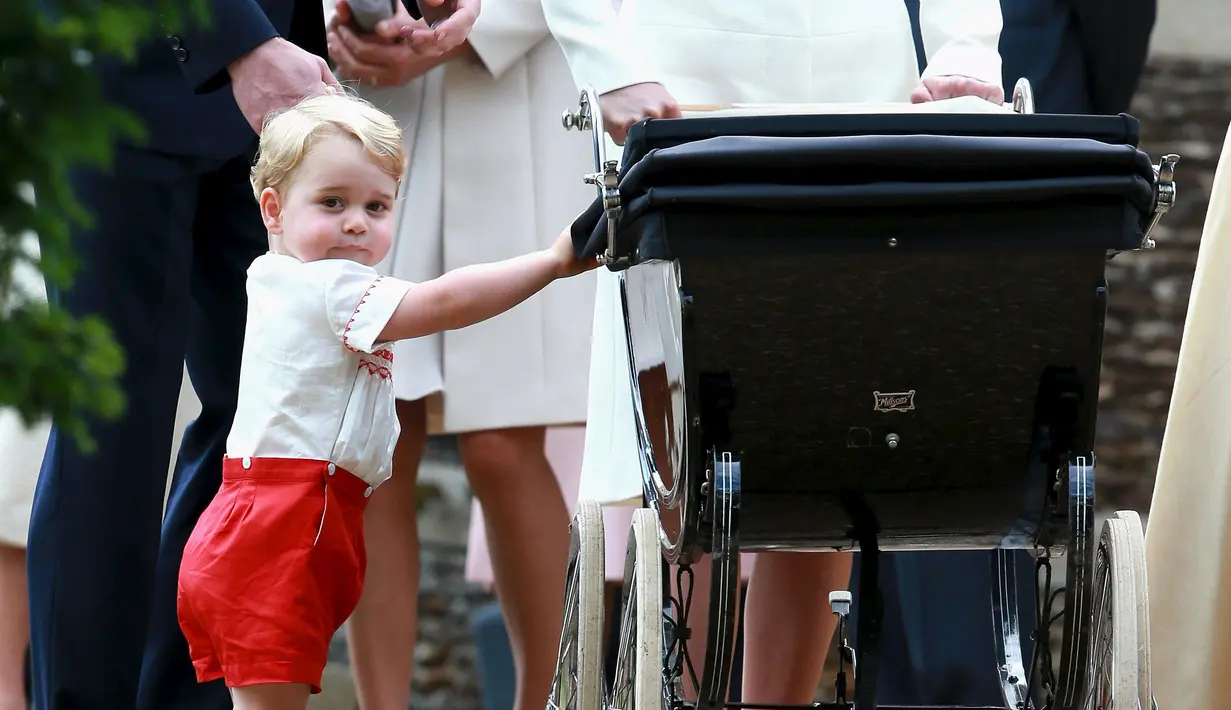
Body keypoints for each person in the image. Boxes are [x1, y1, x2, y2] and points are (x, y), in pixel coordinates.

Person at [540, 0, 1004, 704]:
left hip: (862, 77)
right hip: (677, 76)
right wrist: (608, 63)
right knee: (683, 442)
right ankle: (675, 696)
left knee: (835, 430)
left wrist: (965, 46)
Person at [25, 1, 478, 708]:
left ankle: (187, 697)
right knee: (114, 425)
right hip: (116, 69)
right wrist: (239, 43)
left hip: (271, 107)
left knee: (267, 420)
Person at [174, 90, 597, 710]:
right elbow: (444, 303)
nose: (355, 222)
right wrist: (552, 261)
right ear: (273, 208)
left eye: (377, 206)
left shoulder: (289, 279)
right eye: (332, 202)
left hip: (288, 517)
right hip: (279, 526)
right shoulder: (326, 287)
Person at [322, 1, 600, 708]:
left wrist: (482, 21)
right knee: (373, 437)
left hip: (515, 98)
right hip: (381, 103)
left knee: (502, 441)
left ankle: (551, 699)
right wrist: (350, 14)